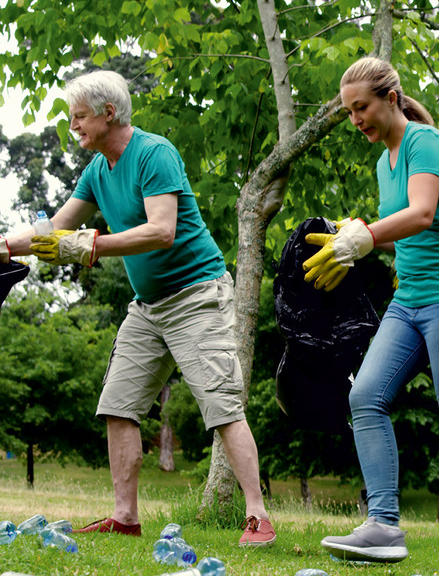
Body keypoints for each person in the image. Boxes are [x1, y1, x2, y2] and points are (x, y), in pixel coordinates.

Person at [0, 70, 276, 546]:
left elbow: (161, 230)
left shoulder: (154, 153)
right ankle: (125, 516)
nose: (74, 127)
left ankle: (258, 515)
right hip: (148, 306)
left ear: (110, 113)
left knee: (220, 403)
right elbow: (56, 228)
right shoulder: (96, 171)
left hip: (196, 295)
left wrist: (92, 246)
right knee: (118, 403)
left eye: (80, 117)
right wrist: (5, 245)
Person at [311, 56, 439, 573]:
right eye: (349, 112)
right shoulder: (383, 160)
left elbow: (422, 213)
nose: (356, 121)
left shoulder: (425, 143)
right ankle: (383, 527)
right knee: (365, 397)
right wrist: (352, 233)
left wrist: (366, 235)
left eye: (362, 108)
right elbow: (407, 236)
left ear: (391, 99)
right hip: (409, 300)